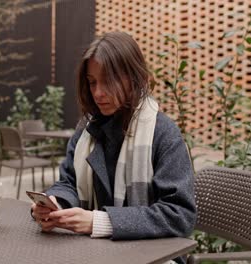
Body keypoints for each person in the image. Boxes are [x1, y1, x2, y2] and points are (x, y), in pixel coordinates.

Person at [31, 31, 196, 263]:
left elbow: (179, 215)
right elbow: (69, 182)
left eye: (109, 80)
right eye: (92, 82)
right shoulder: (87, 129)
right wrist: (56, 204)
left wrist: (98, 222)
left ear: (134, 76)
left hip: (153, 255)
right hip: (95, 251)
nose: (98, 92)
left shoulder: (164, 133)